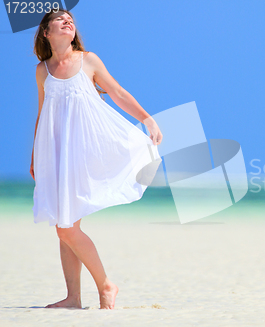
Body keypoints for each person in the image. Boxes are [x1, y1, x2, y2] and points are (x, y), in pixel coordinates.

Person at [30, 8, 163, 309]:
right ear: (46, 33)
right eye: (59, 20)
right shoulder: (43, 70)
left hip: (83, 150)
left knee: (66, 228)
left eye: (70, 20)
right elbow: (42, 114)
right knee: (63, 225)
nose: (68, 21)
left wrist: (148, 119)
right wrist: (36, 156)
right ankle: (73, 298)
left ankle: (106, 285)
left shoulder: (87, 60)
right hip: (55, 152)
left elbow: (116, 92)